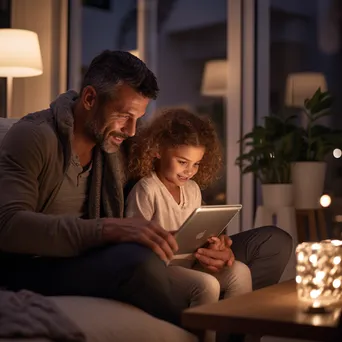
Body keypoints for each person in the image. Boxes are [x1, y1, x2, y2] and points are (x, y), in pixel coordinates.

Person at [0, 50, 292, 331]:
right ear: (90, 98)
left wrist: (217, 245)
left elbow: (171, 183)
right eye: (124, 115)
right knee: (138, 262)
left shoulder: (120, 144)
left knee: (272, 242)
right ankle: (201, 324)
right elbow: (8, 225)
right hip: (50, 264)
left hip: (145, 254)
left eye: (138, 118)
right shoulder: (34, 137)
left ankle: (230, 334)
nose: (130, 130)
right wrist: (106, 229)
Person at [125, 108, 252, 308]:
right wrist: (166, 239)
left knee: (241, 272)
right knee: (207, 284)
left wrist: (214, 242)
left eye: (196, 164)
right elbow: (133, 245)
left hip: (190, 265)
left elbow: (199, 231)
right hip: (161, 270)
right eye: (182, 162)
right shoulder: (147, 190)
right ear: (157, 150)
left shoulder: (192, 190)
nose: (190, 171)